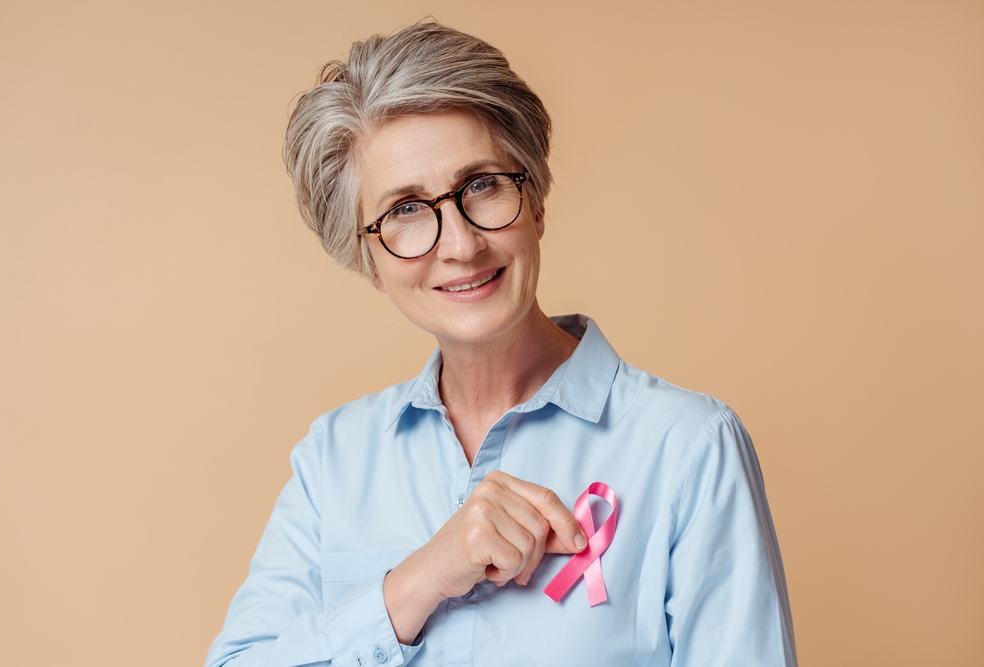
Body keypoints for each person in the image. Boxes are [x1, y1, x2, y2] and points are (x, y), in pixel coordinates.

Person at [205, 22, 797, 667]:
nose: (461, 245)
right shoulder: (333, 460)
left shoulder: (689, 448)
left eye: (482, 185)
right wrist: (418, 580)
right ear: (369, 260)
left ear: (536, 200)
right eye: (405, 209)